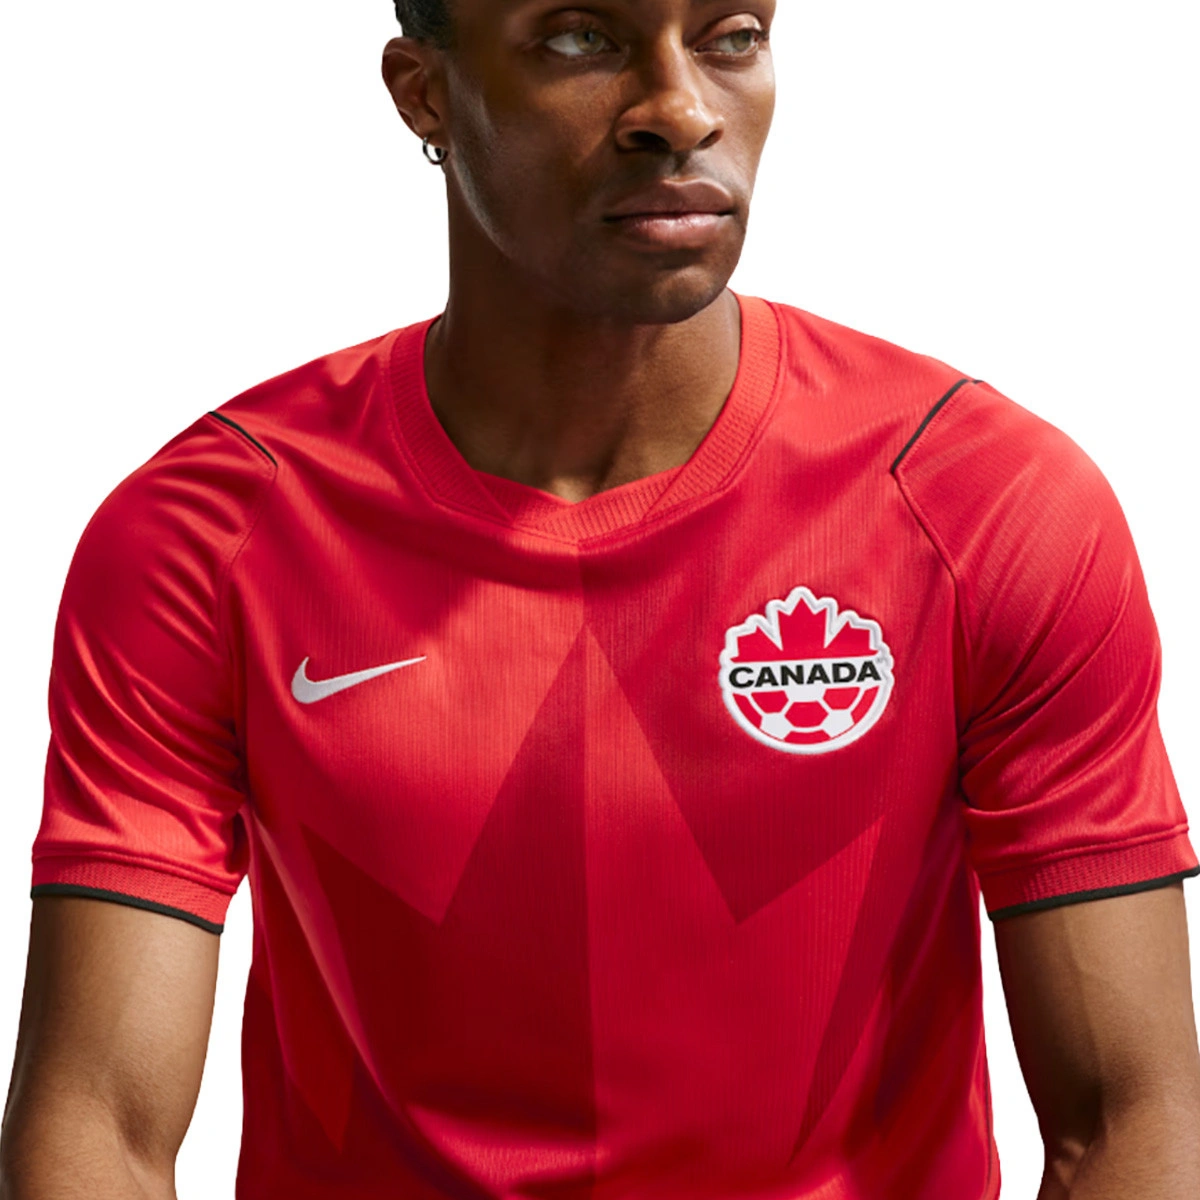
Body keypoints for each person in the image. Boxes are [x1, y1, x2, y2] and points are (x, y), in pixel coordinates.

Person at [2, 0, 1199, 1196]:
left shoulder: (978, 502)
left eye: (731, 36)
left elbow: (1128, 1116)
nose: (679, 110)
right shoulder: (209, 538)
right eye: (581, 38)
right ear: (424, 93)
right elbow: (100, 1121)